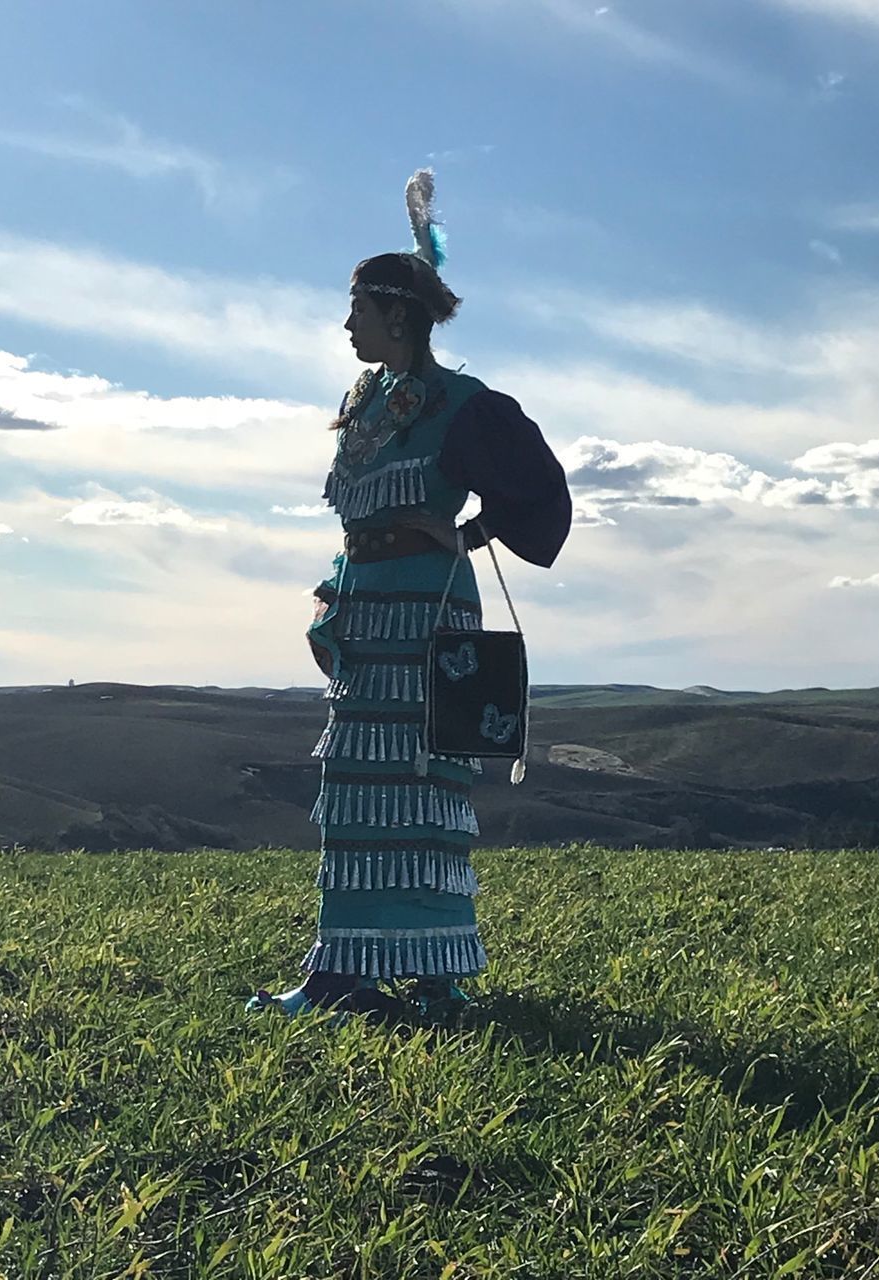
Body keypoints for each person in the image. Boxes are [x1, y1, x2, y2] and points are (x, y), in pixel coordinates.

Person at [248, 172, 571, 1019]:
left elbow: (539, 490)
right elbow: (355, 519)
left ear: (399, 315)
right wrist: (333, 591)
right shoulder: (363, 401)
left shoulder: (463, 406)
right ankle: (341, 974)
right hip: (367, 609)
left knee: (424, 783)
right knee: (356, 783)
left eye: (358, 308)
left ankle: (436, 979)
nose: (346, 323)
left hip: (428, 611)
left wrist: (464, 535)